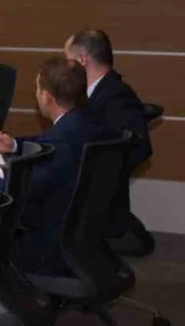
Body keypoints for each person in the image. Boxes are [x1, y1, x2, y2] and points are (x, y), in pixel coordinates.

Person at [0, 57, 91, 276]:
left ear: (47, 97)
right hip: (80, 234)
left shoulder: (62, 140)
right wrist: (14, 145)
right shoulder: (82, 123)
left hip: (45, 246)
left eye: (37, 89)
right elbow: (49, 145)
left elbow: (18, 195)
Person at [64, 28, 155, 256]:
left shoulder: (117, 95)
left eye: (67, 60)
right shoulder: (87, 94)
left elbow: (139, 148)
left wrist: (98, 177)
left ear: (82, 60)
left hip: (98, 206)